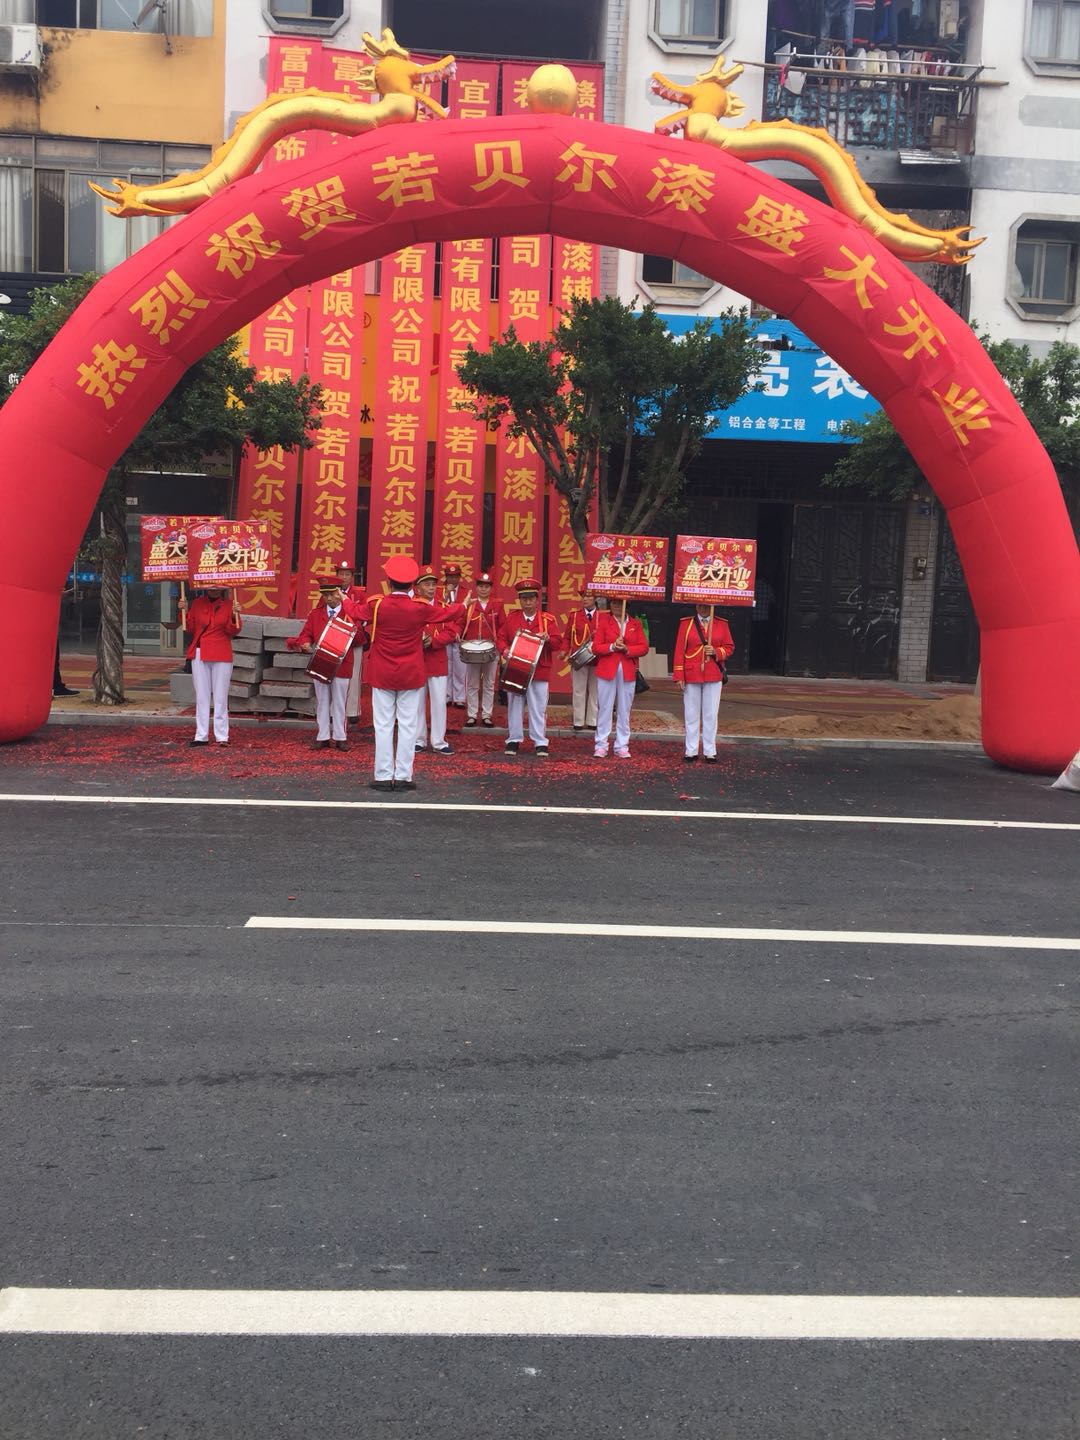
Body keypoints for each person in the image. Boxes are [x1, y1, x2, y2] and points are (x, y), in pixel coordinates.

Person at [354, 557, 464, 791]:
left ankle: (383, 776)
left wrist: (343, 600)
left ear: (388, 582)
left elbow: (354, 611)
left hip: (382, 673)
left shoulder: (378, 605)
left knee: (383, 726)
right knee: (408, 725)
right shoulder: (420, 608)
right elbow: (448, 614)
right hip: (410, 673)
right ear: (413, 584)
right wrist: (464, 606)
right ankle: (404, 776)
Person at [288, 577, 361, 751]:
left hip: (342, 664)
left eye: (332, 594)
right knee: (322, 701)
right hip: (320, 662)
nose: (328, 598)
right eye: (325, 595)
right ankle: (323, 736)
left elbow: (359, 640)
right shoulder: (315, 614)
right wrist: (305, 643)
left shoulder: (350, 613)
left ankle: (340, 737)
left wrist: (353, 626)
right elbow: (306, 634)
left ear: (339, 594)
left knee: (340, 702)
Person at [497, 578, 563, 759]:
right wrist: (505, 650)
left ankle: (540, 741)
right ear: (520, 600)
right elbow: (500, 638)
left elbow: (558, 643)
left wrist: (548, 638)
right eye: (524, 598)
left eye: (531, 598)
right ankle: (514, 739)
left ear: (537, 600)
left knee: (538, 707)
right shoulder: (512, 618)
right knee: (514, 705)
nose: (528, 602)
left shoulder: (547, 620)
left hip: (539, 670)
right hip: (516, 669)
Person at [673, 605, 736, 764]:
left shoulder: (722, 624)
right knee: (691, 714)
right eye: (700, 604)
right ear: (696, 605)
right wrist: (679, 675)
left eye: (706, 604)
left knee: (711, 714)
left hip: (713, 673)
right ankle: (691, 750)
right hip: (691, 673)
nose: (703, 607)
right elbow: (679, 650)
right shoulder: (686, 623)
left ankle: (710, 751)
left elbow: (729, 647)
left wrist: (716, 651)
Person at [180, 585, 241, 746]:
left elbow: (234, 631)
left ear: (222, 589)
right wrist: (184, 611)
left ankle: (222, 736)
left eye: (216, 587)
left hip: (221, 652)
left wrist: (234, 615)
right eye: (210, 586)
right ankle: (201, 735)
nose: (213, 589)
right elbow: (190, 628)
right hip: (200, 652)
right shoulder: (197, 603)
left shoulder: (230, 604)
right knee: (202, 697)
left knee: (221, 697)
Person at [415, 562, 461, 755]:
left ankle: (439, 741)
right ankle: (418, 739)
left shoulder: (444, 607)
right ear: (418, 587)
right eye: (427, 584)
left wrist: (433, 642)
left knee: (439, 703)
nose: (431, 588)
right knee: (417, 703)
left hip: (437, 660)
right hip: (417, 661)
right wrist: (418, 640)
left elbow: (452, 631)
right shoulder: (413, 606)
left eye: (433, 584)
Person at [592, 601, 648, 760]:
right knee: (605, 708)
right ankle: (601, 745)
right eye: (614, 602)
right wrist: (612, 646)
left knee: (624, 709)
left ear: (626, 605)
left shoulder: (635, 624)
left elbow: (644, 647)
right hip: (607, 670)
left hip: (627, 671)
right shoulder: (604, 623)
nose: (616, 605)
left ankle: (622, 745)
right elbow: (596, 647)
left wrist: (627, 649)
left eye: (619, 603)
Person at [461, 571, 504, 728]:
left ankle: (487, 715)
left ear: (491, 588)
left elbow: (503, 627)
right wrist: (459, 634)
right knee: (472, 683)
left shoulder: (497, 604)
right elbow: (460, 623)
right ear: (476, 587)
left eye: (486, 586)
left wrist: (500, 645)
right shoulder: (470, 604)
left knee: (489, 684)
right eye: (480, 586)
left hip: (491, 649)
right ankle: (472, 715)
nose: (483, 589)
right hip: (472, 650)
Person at [335, 558, 367, 725]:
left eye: (347, 574)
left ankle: (353, 710)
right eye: (341, 574)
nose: (344, 577)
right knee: (335, 674)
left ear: (352, 577)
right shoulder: (330, 592)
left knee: (354, 674)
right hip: (335, 638)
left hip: (354, 638)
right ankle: (334, 710)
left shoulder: (359, 594)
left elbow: (365, 615)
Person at [563, 586, 599, 732]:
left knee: (595, 690)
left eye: (588, 596)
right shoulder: (575, 616)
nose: (585, 599)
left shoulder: (602, 616)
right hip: (579, 657)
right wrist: (564, 651)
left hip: (597, 658)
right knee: (578, 690)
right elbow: (567, 637)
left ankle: (592, 720)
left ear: (595, 599)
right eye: (583, 596)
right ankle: (578, 721)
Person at [439, 563, 469, 708]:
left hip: (459, 634)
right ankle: (446, 695)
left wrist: (457, 630)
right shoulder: (439, 591)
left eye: (456, 576)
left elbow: (465, 614)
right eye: (450, 577)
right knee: (446, 666)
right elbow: (439, 611)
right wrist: (446, 594)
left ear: (460, 577)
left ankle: (459, 697)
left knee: (460, 668)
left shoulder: (465, 592)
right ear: (446, 577)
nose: (453, 579)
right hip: (444, 632)